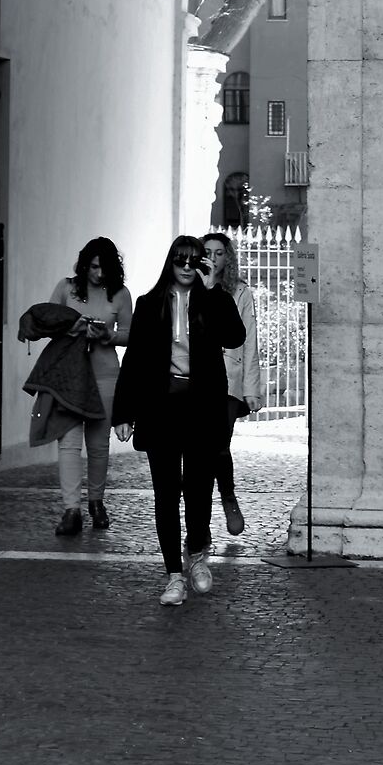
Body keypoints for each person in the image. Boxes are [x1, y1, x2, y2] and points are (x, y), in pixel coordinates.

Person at [113, 234, 245, 606]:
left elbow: (236, 337)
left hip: (201, 408)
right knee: (166, 492)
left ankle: (198, 556)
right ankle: (174, 574)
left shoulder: (211, 302)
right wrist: (123, 412)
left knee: (200, 488)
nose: (187, 266)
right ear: (170, 262)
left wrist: (213, 291)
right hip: (161, 409)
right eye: (180, 260)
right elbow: (135, 361)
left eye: (195, 260)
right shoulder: (149, 304)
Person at [47, 238, 132, 537]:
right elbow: (50, 321)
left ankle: (96, 502)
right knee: (68, 443)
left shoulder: (120, 294)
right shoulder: (65, 288)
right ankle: (71, 510)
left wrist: (107, 334)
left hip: (106, 375)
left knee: (98, 445)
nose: (99, 274)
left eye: (105, 268)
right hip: (69, 375)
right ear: (84, 265)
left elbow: (130, 334)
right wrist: (72, 328)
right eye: (94, 267)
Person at [201, 232, 262, 537]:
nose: (213, 258)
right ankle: (201, 521)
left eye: (219, 253)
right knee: (197, 449)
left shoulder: (240, 293)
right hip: (195, 380)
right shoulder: (189, 288)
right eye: (207, 252)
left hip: (228, 382)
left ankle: (228, 498)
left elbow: (249, 340)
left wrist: (251, 390)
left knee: (218, 447)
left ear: (228, 258)